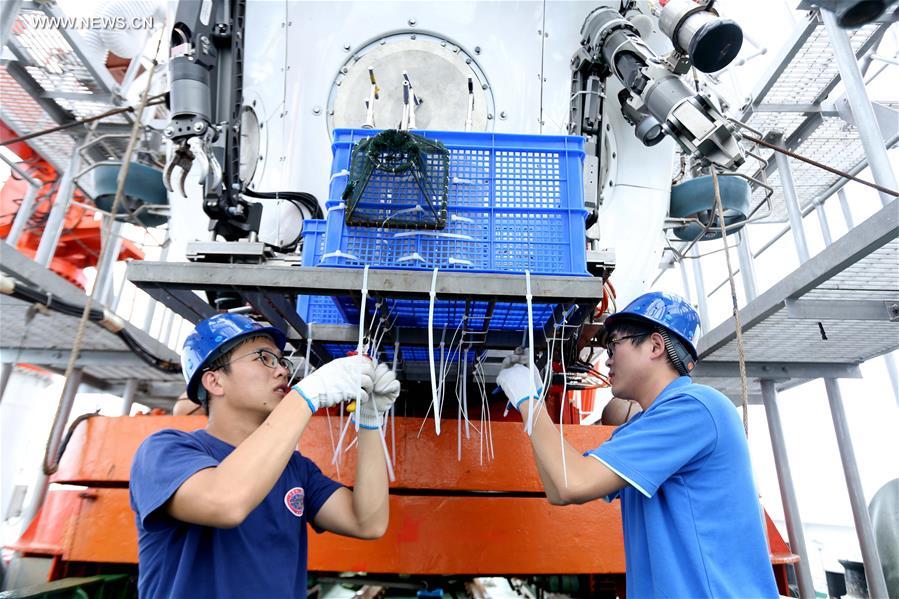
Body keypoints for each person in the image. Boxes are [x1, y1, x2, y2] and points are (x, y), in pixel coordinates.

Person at [496, 291, 778, 598]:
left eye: (613, 345)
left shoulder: (696, 408)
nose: (607, 359)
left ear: (655, 346)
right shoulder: (643, 426)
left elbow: (571, 483)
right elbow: (557, 490)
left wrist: (529, 402)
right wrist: (534, 400)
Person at [130, 313, 399, 598]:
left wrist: (369, 421)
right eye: (264, 358)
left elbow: (366, 522)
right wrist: (306, 396)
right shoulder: (164, 451)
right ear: (215, 381)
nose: (282, 371)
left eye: (281, 361)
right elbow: (225, 502)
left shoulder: (296, 469)